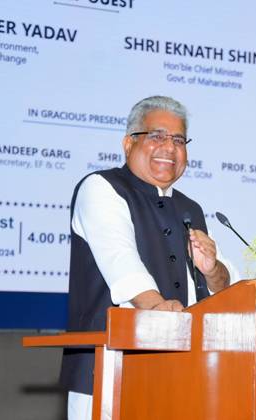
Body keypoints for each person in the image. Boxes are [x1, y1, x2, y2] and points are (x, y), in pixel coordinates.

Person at [59, 96, 234, 420]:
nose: (169, 147)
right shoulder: (101, 187)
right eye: (157, 136)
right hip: (110, 369)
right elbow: (121, 261)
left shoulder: (190, 208)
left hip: (182, 370)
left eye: (178, 140)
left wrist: (213, 271)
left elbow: (228, 285)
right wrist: (157, 307)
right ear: (129, 143)